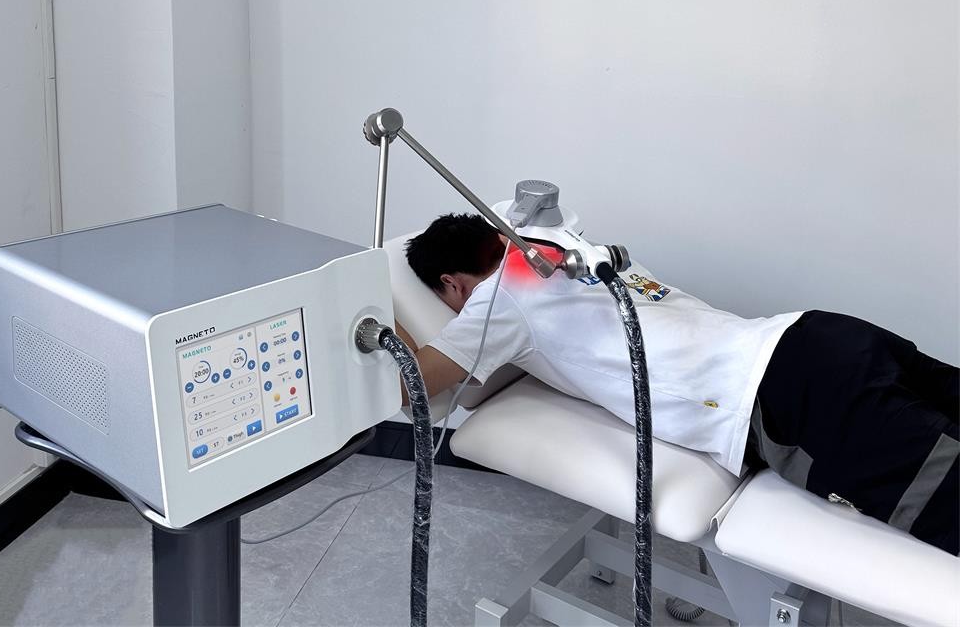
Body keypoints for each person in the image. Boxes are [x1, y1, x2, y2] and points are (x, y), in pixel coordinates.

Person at [395, 213, 959, 556]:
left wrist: (370, 311)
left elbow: (411, 382)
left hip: (790, 399)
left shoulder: (494, 302)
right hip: (820, 336)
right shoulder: (554, 243)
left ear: (452, 283)